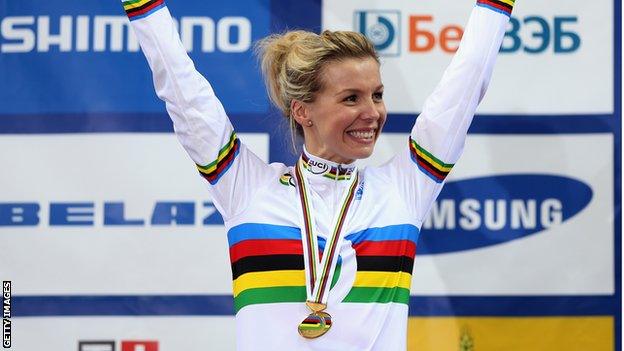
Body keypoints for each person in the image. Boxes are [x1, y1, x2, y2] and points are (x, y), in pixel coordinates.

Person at [122, 0, 513, 349]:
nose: (372, 112)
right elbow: (183, 91)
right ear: (302, 111)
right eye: (351, 98)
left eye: (377, 95)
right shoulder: (247, 191)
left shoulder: (402, 191)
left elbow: (464, 84)